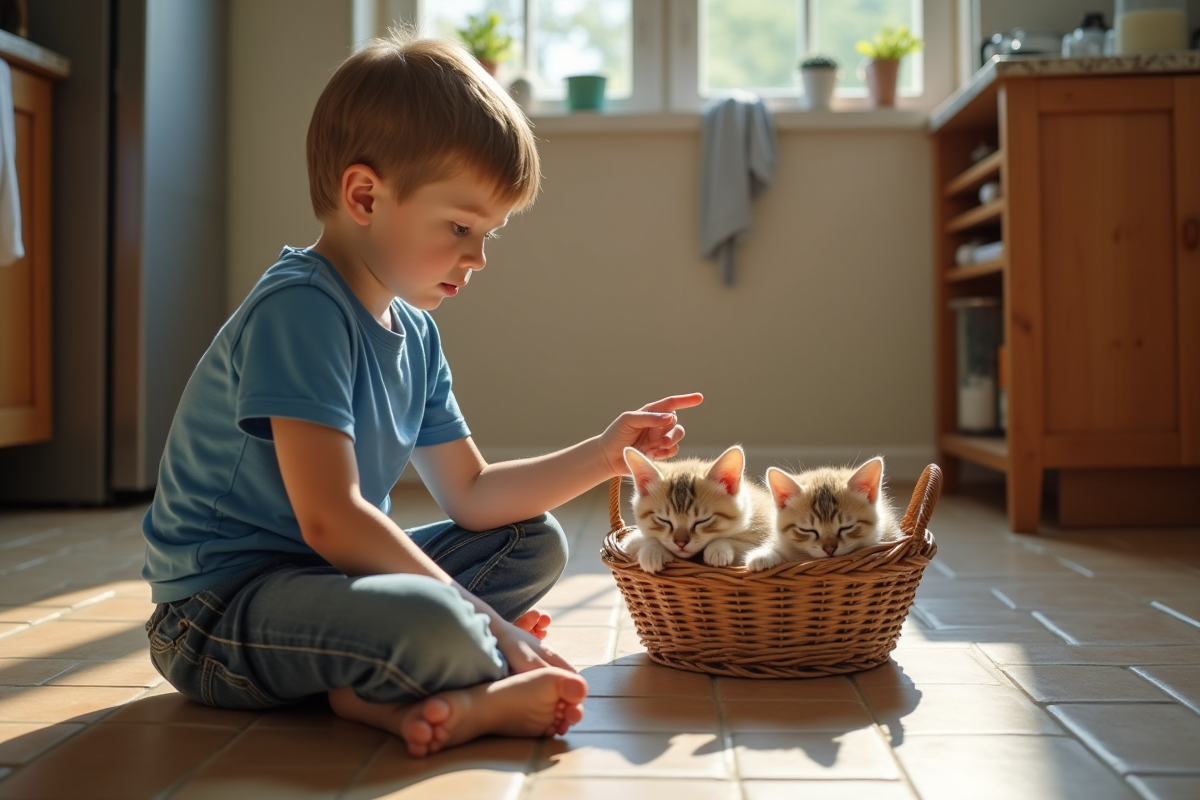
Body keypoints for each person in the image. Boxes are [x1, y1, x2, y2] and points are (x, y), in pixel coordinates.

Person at [140, 30, 702, 758]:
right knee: (432, 618)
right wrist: (491, 626)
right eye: (462, 227)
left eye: (490, 234)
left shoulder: (414, 330)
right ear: (366, 195)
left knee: (531, 542)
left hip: (325, 582)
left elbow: (470, 492)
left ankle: (377, 687)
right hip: (214, 613)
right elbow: (332, 520)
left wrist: (602, 455)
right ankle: (455, 681)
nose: (479, 257)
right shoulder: (300, 311)